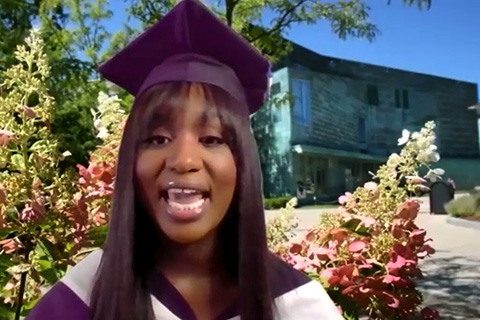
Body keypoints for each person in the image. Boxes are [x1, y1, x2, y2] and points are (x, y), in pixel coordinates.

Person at [26, 0, 343, 319]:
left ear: (242, 163)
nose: (183, 160)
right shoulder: (84, 295)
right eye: (158, 139)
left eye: (212, 139)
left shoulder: (299, 306)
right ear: (131, 161)